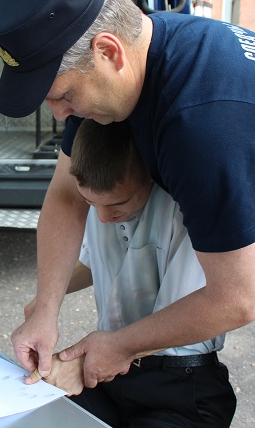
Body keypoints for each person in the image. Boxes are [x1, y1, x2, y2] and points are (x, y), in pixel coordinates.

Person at [0, 0, 255, 426]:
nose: (60, 114)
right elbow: (67, 195)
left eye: (62, 95)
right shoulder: (139, 52)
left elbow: (239, 297)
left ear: (108, 51)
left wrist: (121, 345)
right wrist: (45, 308)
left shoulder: (205, 123)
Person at [25, 119, 236, 426]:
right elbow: (92, 263)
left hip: (179, 381)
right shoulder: (102, 203)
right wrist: (45, 303)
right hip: (110, 374)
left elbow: (191, 314)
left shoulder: (184, 212)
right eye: (90, 203)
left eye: (117, 204)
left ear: (150, 176)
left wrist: (77, 363)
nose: (103, 217)